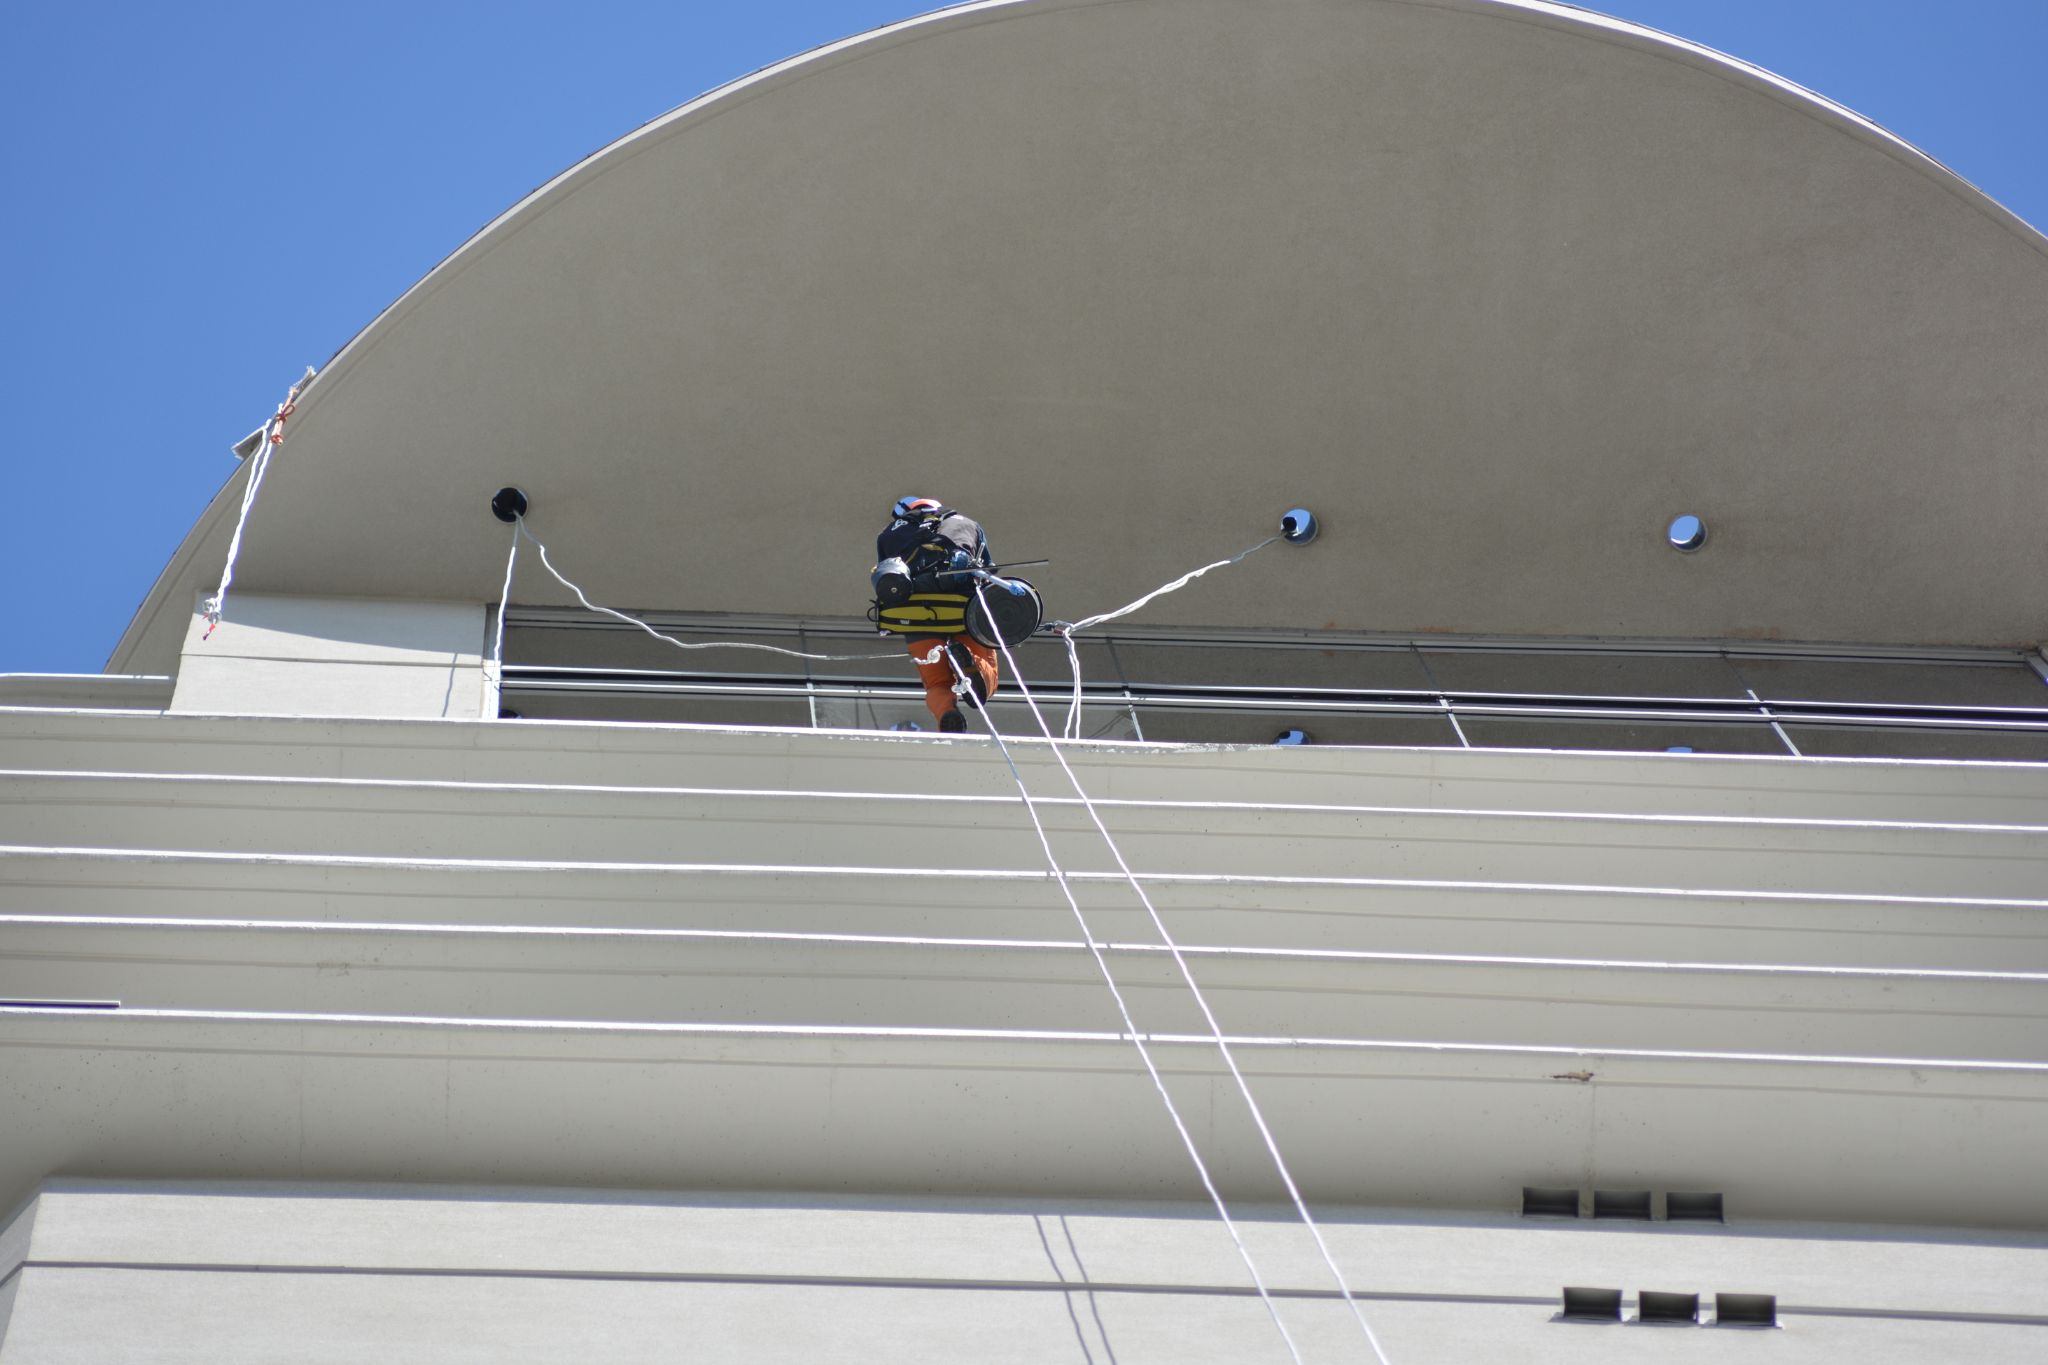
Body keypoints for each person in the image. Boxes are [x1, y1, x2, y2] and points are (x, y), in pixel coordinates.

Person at [871, 496, 1000, 732]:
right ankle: (973, 666)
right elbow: (989, 571)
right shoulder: (968, 524)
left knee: (936, 683)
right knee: (988, 675)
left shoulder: (888, 534)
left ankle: (947, 714)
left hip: (915, 616)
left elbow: (884, 581)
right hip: (965, 612)